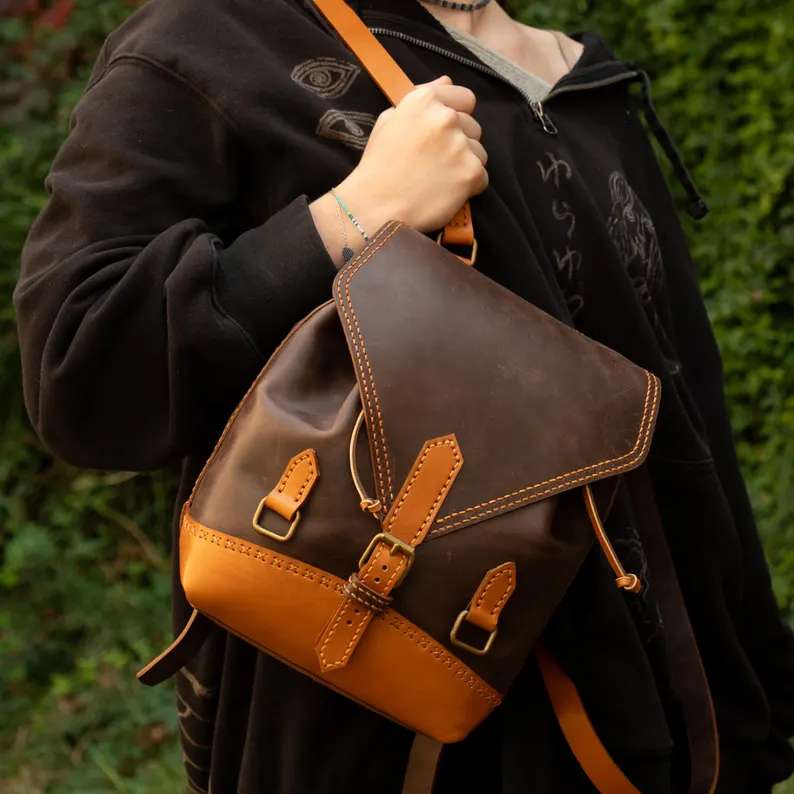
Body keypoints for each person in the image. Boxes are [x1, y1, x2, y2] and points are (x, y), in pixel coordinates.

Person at [14, 0, 794, 791]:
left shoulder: (579, 78)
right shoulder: (215, 41)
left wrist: (749, 690)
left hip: (667, 713)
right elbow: (80, 368)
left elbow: (688, 418)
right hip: (377, 709)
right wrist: (352, 215)